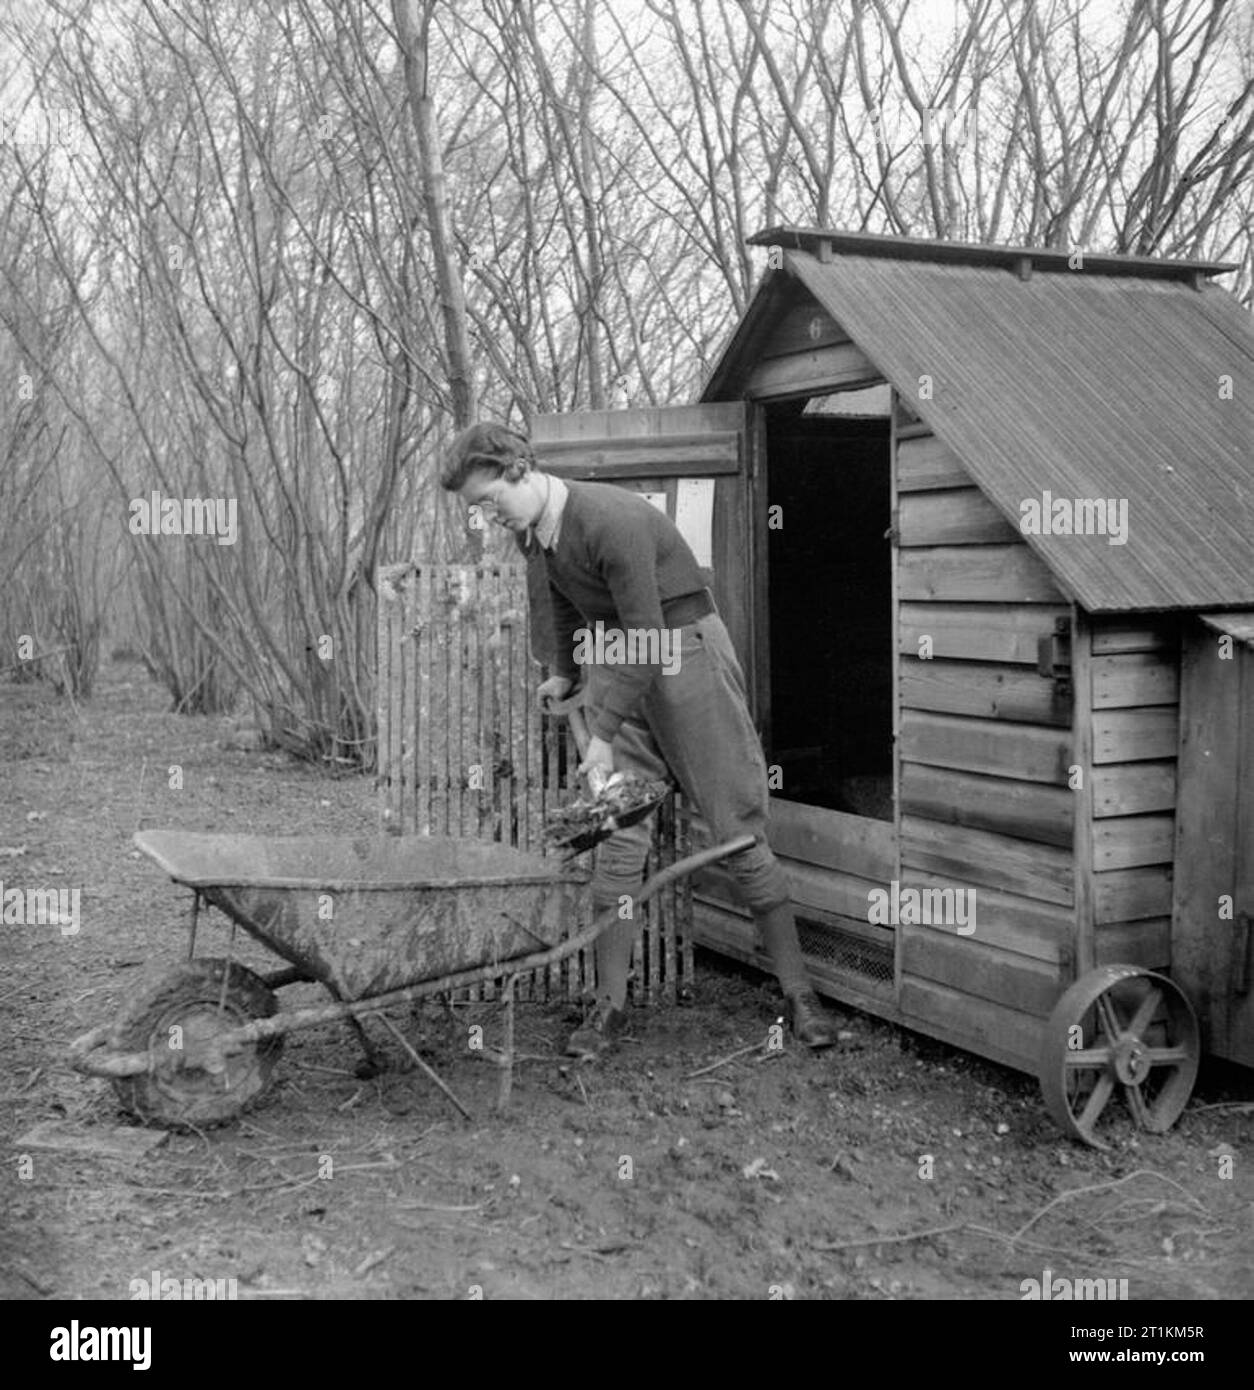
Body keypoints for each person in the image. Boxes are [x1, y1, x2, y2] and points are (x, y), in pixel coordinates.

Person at [440, 422, 836, 1058]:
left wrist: (600, 733)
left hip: (683, 656)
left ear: (519, 468)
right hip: (622, 660)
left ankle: (800, 995)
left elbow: (649, 636)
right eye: (476, 509)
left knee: (736, 827)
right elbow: (566, 607)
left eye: (490, 501)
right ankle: (609, 1007)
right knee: (617, 840)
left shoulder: (612, 519)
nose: (487, 518)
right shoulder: (534, 535)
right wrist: (567, 671)